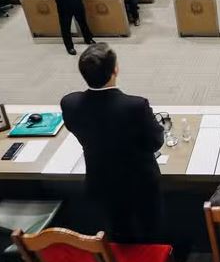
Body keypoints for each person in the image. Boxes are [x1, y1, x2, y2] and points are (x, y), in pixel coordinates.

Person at [61, 44, 164, 242]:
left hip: (100, 180)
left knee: (117, 228)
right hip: (140, 184)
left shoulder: (70, 103)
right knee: (150, 231)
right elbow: (155, 142)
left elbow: (74, 127)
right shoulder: (135, 106)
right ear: (115, 70)